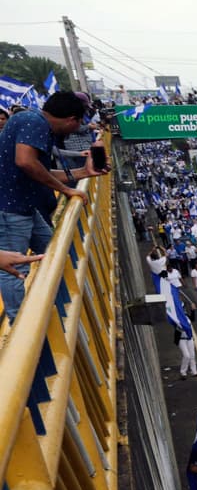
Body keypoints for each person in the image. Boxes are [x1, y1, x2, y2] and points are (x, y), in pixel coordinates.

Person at [0, 92, 108, 321]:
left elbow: (40, 171)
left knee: (55, 251)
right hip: (10, 211)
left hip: (25, 207)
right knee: (15, 270)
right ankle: (21, 327)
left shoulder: (33, 122)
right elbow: (26, 162)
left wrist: (83, 172)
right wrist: (67, 189)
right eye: (78, 123)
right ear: (72, 119)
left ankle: (62, 309)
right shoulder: (34, 122)